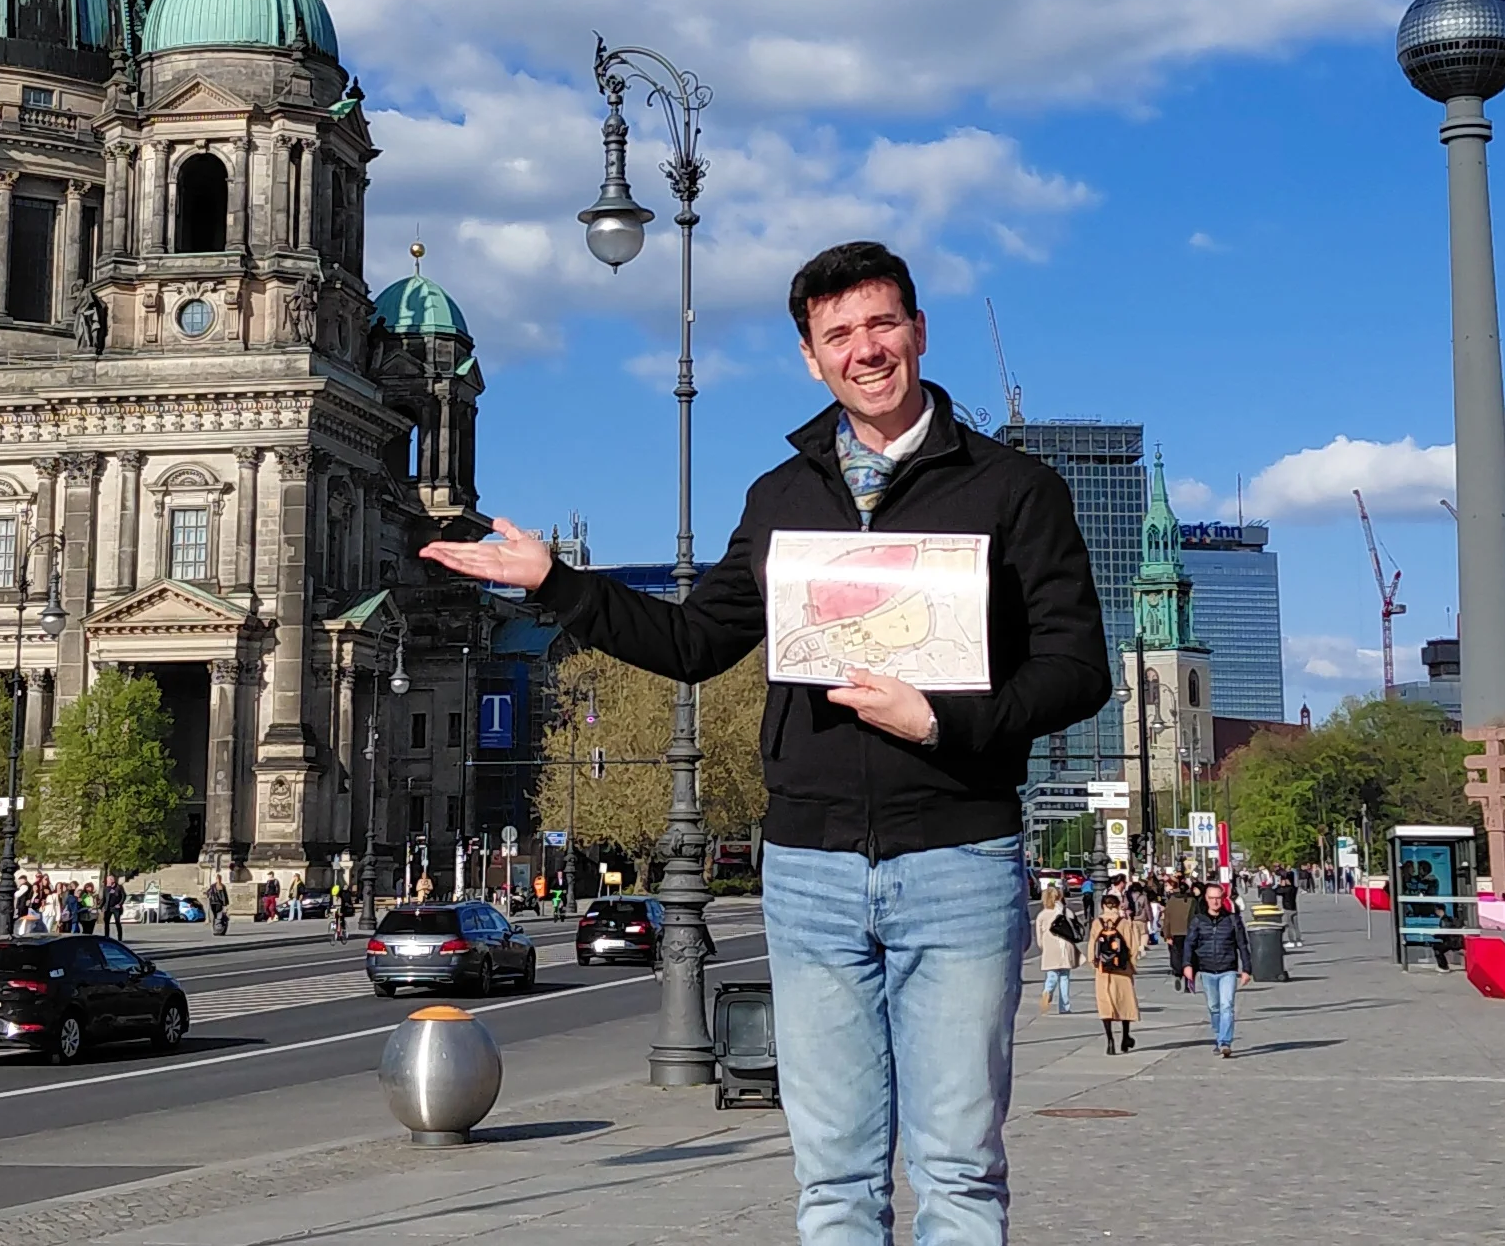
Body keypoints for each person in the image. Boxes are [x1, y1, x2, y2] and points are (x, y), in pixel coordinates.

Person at [423, 241, 1109, 1246]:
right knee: (832, 1175)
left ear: (918, 330)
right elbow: (694, 639)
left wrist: (942, 720)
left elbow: (1077, 667)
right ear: (809, 356)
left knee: (959, 1165)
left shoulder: (1014, 489)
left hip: (959, 855)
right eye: (839, 334)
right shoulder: (781, 497)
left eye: (881, 324)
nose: (864, 349)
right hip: (810, 868)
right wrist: (556, 582)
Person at [1180, 881, 1253, 1057]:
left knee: (1226, 1005)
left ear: (1223, 899)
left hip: (1227, 968)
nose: (1215, 902)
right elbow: (1189, 944)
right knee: (1214, 1007)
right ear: (1206, 899)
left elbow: (1242, 945)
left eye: (1218, 898)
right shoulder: (1198, 920)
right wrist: (1187, 965)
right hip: (1206, 969)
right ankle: (1219, 1035)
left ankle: (1224, 1042)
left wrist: (1247, 969)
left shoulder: (1233, 920)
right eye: (1211, 898)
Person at [1089, 893, 1143, 1054]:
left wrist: (1095, 964)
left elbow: (1092, 947)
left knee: (1105, 1004)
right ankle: (1125, 1036)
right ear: (1118, 905)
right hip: (1122, 970)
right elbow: (1133, 946)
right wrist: (1132, 966)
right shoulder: (1125, 923)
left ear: (1102, 906)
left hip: (1103, 971)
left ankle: (1110, 1040)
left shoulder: (1097, 923)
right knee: (1124, 1002)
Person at [1035, 881, 1080, 1017]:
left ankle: (1047, 991)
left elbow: (1039, 937)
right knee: (1065, 976)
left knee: (1052, 974)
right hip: (1064, 946)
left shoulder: (1042, 915)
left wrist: (1043, 947)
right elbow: (1074, 925)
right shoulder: (1065, 911)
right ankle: (1064, 1006)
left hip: (1050, 946)